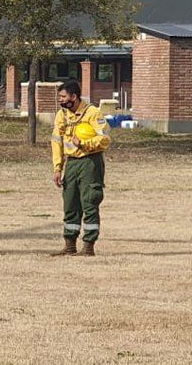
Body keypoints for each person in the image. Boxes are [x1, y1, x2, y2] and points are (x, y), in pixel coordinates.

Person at [50, 80, 110, 257]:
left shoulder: (92, 113)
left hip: (90, 162)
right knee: (70, 203)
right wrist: (57, 168)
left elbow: (105, 139)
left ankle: (89, 246)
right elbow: (56, 142)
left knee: (90, 202)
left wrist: (84, 143)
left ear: (74, 97)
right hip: (72, 163)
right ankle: (69, 245)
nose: (60, 100)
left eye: (63, 96)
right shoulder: (62, 115)